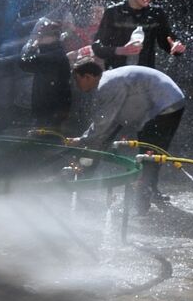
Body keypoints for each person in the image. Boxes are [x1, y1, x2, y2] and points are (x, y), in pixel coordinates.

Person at [70, 57, 186, 213]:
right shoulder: (109, 79)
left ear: (88, 77)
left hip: (164, 106)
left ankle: (139, 204)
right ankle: (146, 193)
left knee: (148, 154)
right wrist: (87, 140)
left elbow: (103, 123)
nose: (77, 85)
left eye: (78, 80)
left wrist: (83, 140)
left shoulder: (106, 85)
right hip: (171, 101)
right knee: (151, 153)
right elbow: (108, 123)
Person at [92, 0, 187, 71]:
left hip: (145, 74)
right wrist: (119, 50)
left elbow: (167, 41)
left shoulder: (156, 13)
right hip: (117, 74)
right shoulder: (113, 12)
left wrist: (177, 46)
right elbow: (97, 47)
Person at [19, 19, 73, 128]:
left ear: (50, 37)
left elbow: (24, 63)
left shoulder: (52, 55)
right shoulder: (55, 53)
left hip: (49, 109)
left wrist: (33, 46)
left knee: (45, 136)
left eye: (40, 36)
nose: (38, 38)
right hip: (51, 107)